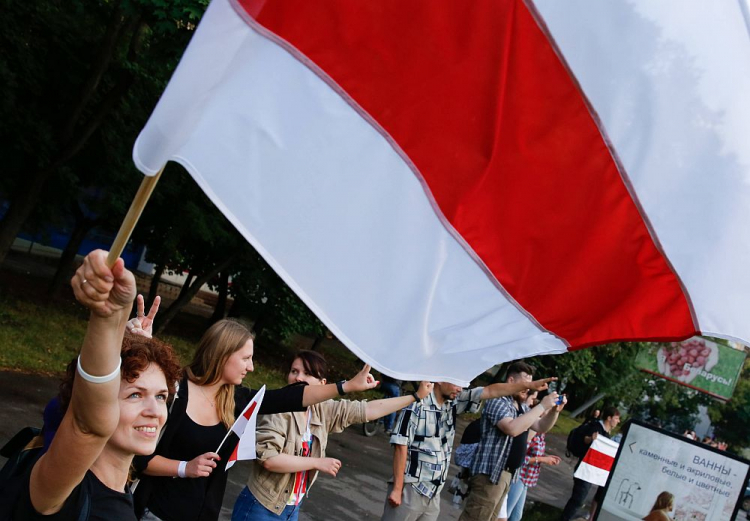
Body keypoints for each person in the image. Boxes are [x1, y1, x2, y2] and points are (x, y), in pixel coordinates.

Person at [132, 302, 382, 521]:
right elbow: (139, 460)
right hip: (156, 513)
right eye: (246, 358)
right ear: (223, 355)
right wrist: (185, 467)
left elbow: (291, 398)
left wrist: (346, 386)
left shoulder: (237, 399)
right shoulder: (174, 393)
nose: (251, 367)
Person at [10, 249, 183, 520]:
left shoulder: (120, 489)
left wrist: (131, 342)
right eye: (136, 395)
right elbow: (88, 425)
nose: (155, 410)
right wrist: (109, 317)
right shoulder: (59, 489)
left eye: (161, 396)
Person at [231, 350, 433, 520]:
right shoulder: (279, 410)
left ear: (323, 384)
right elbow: (269, 460)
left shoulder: (321, 409)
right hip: (261, 507)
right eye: (294, 371)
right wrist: (317, 462)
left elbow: (368, 410)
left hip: (291, 507)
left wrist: (414, 397)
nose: (298, 378)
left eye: (307, 373)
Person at [381, 365, 556, 521]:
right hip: (411, 488)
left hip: (433, 492)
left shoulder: (454, 403)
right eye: (457, 384)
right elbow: (400, 446)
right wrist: (397, 488)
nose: (460, 388)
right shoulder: (416, 405)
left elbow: (490, 391)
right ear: (440, 381)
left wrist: (530, 386)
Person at [458, 362, 566, 521]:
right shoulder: (498, 401)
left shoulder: (522, 407)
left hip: (507, 475)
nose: (529, 387)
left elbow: (540, 426)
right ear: (511, 381)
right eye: (525, 382)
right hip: (490, 474)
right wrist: (542, 406)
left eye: (531, 383)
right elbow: (512, 428)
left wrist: (554, 411)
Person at [504, 393, 561, 521]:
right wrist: (542, 459)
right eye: (548, 411)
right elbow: (520, 456)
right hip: (520, 476)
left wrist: (546, 457)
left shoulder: (541, 432)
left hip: (527, 480)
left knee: (516, 516)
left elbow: (533, 451)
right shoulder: (533, 429)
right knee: (506, 514)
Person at [560, 406, 621, 521]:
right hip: (585, 470)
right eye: (617, 418)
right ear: (609, 418)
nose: (618, 421)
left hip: (590, 471)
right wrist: (590, 439)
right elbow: (586, 439)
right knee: (578, 500)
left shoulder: (605, 433)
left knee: (578, 500)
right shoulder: (596, 428)